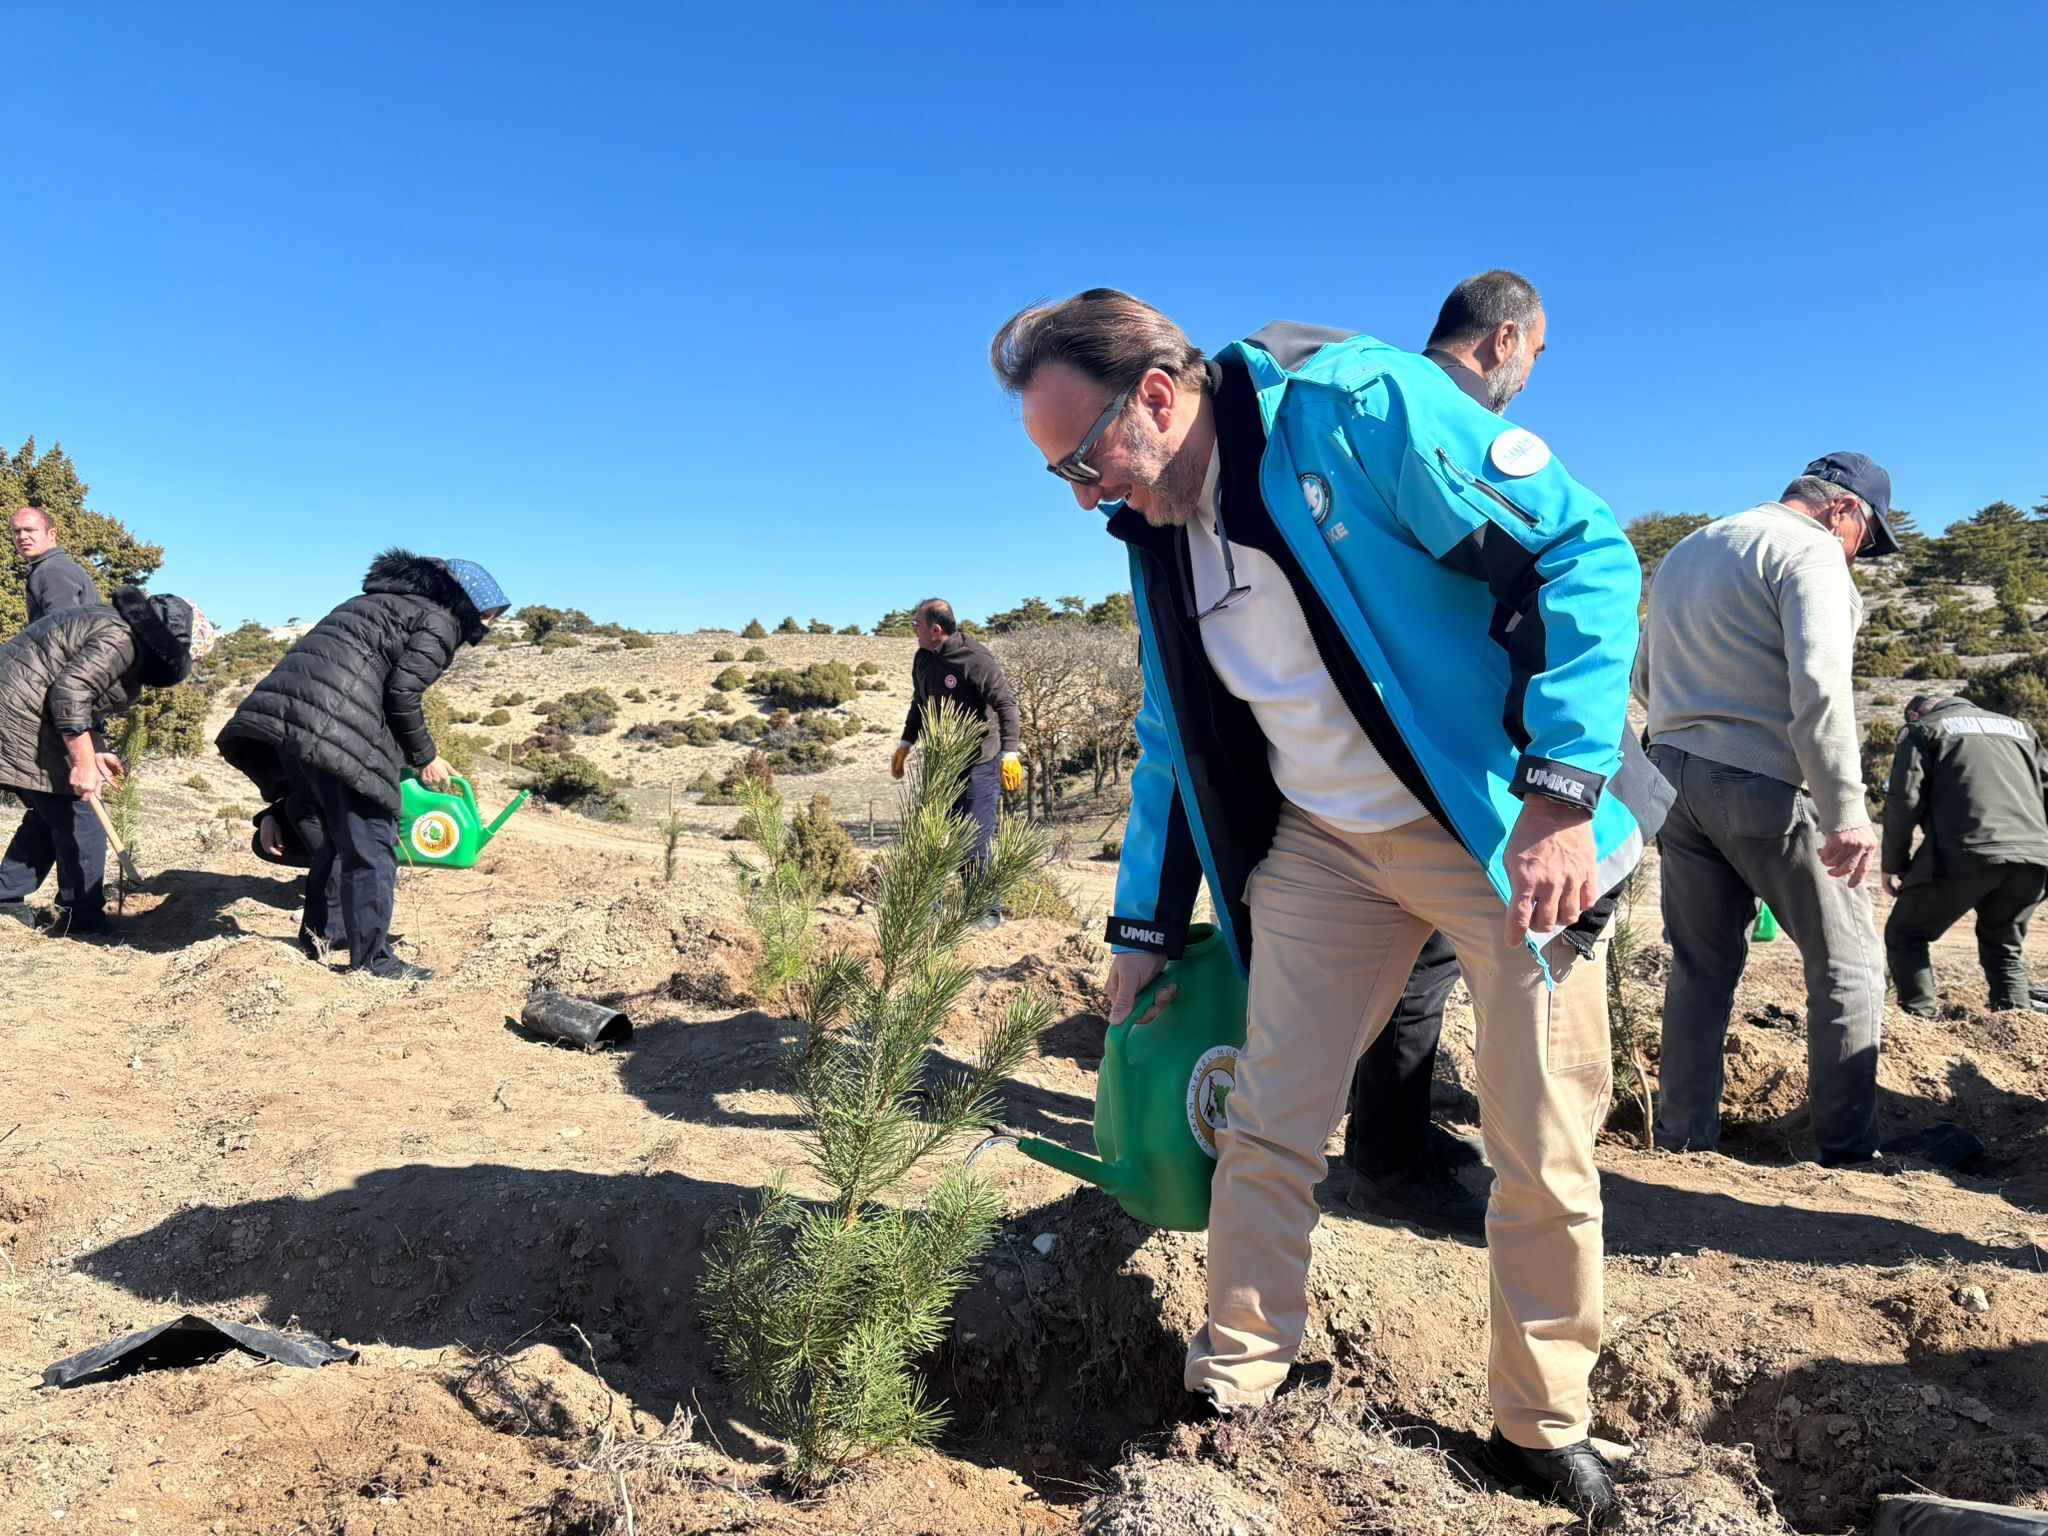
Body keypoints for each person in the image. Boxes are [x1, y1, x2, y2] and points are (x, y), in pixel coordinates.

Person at [991, 289, 1668, 1521]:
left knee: (1540, 1148)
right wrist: (1140, 930)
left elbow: (1583, 550)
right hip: (1326, 852)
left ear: (1156, 393)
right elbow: (1165, 737)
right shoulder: (1155, 534)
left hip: (1496, 831)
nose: (1083, 494)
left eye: (1083, 457)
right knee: (1266, 1122)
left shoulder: (1355, 410)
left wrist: (1564, 792)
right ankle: (1234, 1383)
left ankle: (1537, 1425)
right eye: (1057, 475)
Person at [1347, 270, 1616, 1236]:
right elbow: (1583, 554)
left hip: (1380, 772)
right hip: (1461, 767)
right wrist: (1561, 787)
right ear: (1504, 340)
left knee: (1416, 971)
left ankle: (1394, 1141)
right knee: (1486, 970)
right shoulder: (1440, 418)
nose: (1531, 374)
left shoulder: (1364, 425)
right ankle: (1416, 1161)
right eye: (1536, 354)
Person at [1635, 454, 1902, 1166]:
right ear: (1842, 508)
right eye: (1866, 540)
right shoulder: (1809, 552)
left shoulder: (1692, 548)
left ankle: (1684, 1138)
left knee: (1700, 967)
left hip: (1673, 780)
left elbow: (1642, 675)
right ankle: (1848, 1152)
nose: (1861, 558)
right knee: (1848, 962)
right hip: (1762, 781)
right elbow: (1820, 690)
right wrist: (1846, 809)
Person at [216, 550, 507, 980]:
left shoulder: (368, 604)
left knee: (336, 837)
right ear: (465, 602)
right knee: (372, 844)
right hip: (334, 729)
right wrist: (424, 756)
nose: (489, 625)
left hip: (289, 726)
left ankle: (324, 935)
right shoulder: (439, 620)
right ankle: (374, 960)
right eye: (488, 614)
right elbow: (402, 693)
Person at [0, 587, 210, 934]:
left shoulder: (115, 627)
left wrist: (95, 749)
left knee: (52, 811)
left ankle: (6, 897)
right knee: (80, 815)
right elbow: (70, 692)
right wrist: (82, 763)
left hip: (23, 711)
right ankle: (81, 918)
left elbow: (81, 696)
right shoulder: (121, 637)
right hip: (19, 715)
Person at [1880, 694, 2048, 1015]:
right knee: (2004, 947)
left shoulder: (1923, 730)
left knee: (1906, 934)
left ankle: (1920, 1022)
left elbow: (1903, 801)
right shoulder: (2021, 730)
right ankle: (2017, 1028)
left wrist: (1894, 864)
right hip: (2032, 856)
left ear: (1914, 714)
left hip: (1962, 852)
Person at [890, 597, 1023, 926]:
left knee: (973, 839)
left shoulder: (975, 659)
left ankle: (985, 913)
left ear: (935, 629)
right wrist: (906, 744)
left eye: (917, 625)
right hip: (940, 763)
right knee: (929, 836)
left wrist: (1010, 753)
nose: (914, 631)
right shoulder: (923, 658)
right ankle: (927, 914)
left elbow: (1006, 705)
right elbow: (918, 703)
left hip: (978, 764)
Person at [12, 506, 102, 623]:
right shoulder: (58, 565)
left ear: (52, 534)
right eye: (16, 531)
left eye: (30, 530)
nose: (22, 537)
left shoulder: (52, 570)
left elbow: (64, 629)